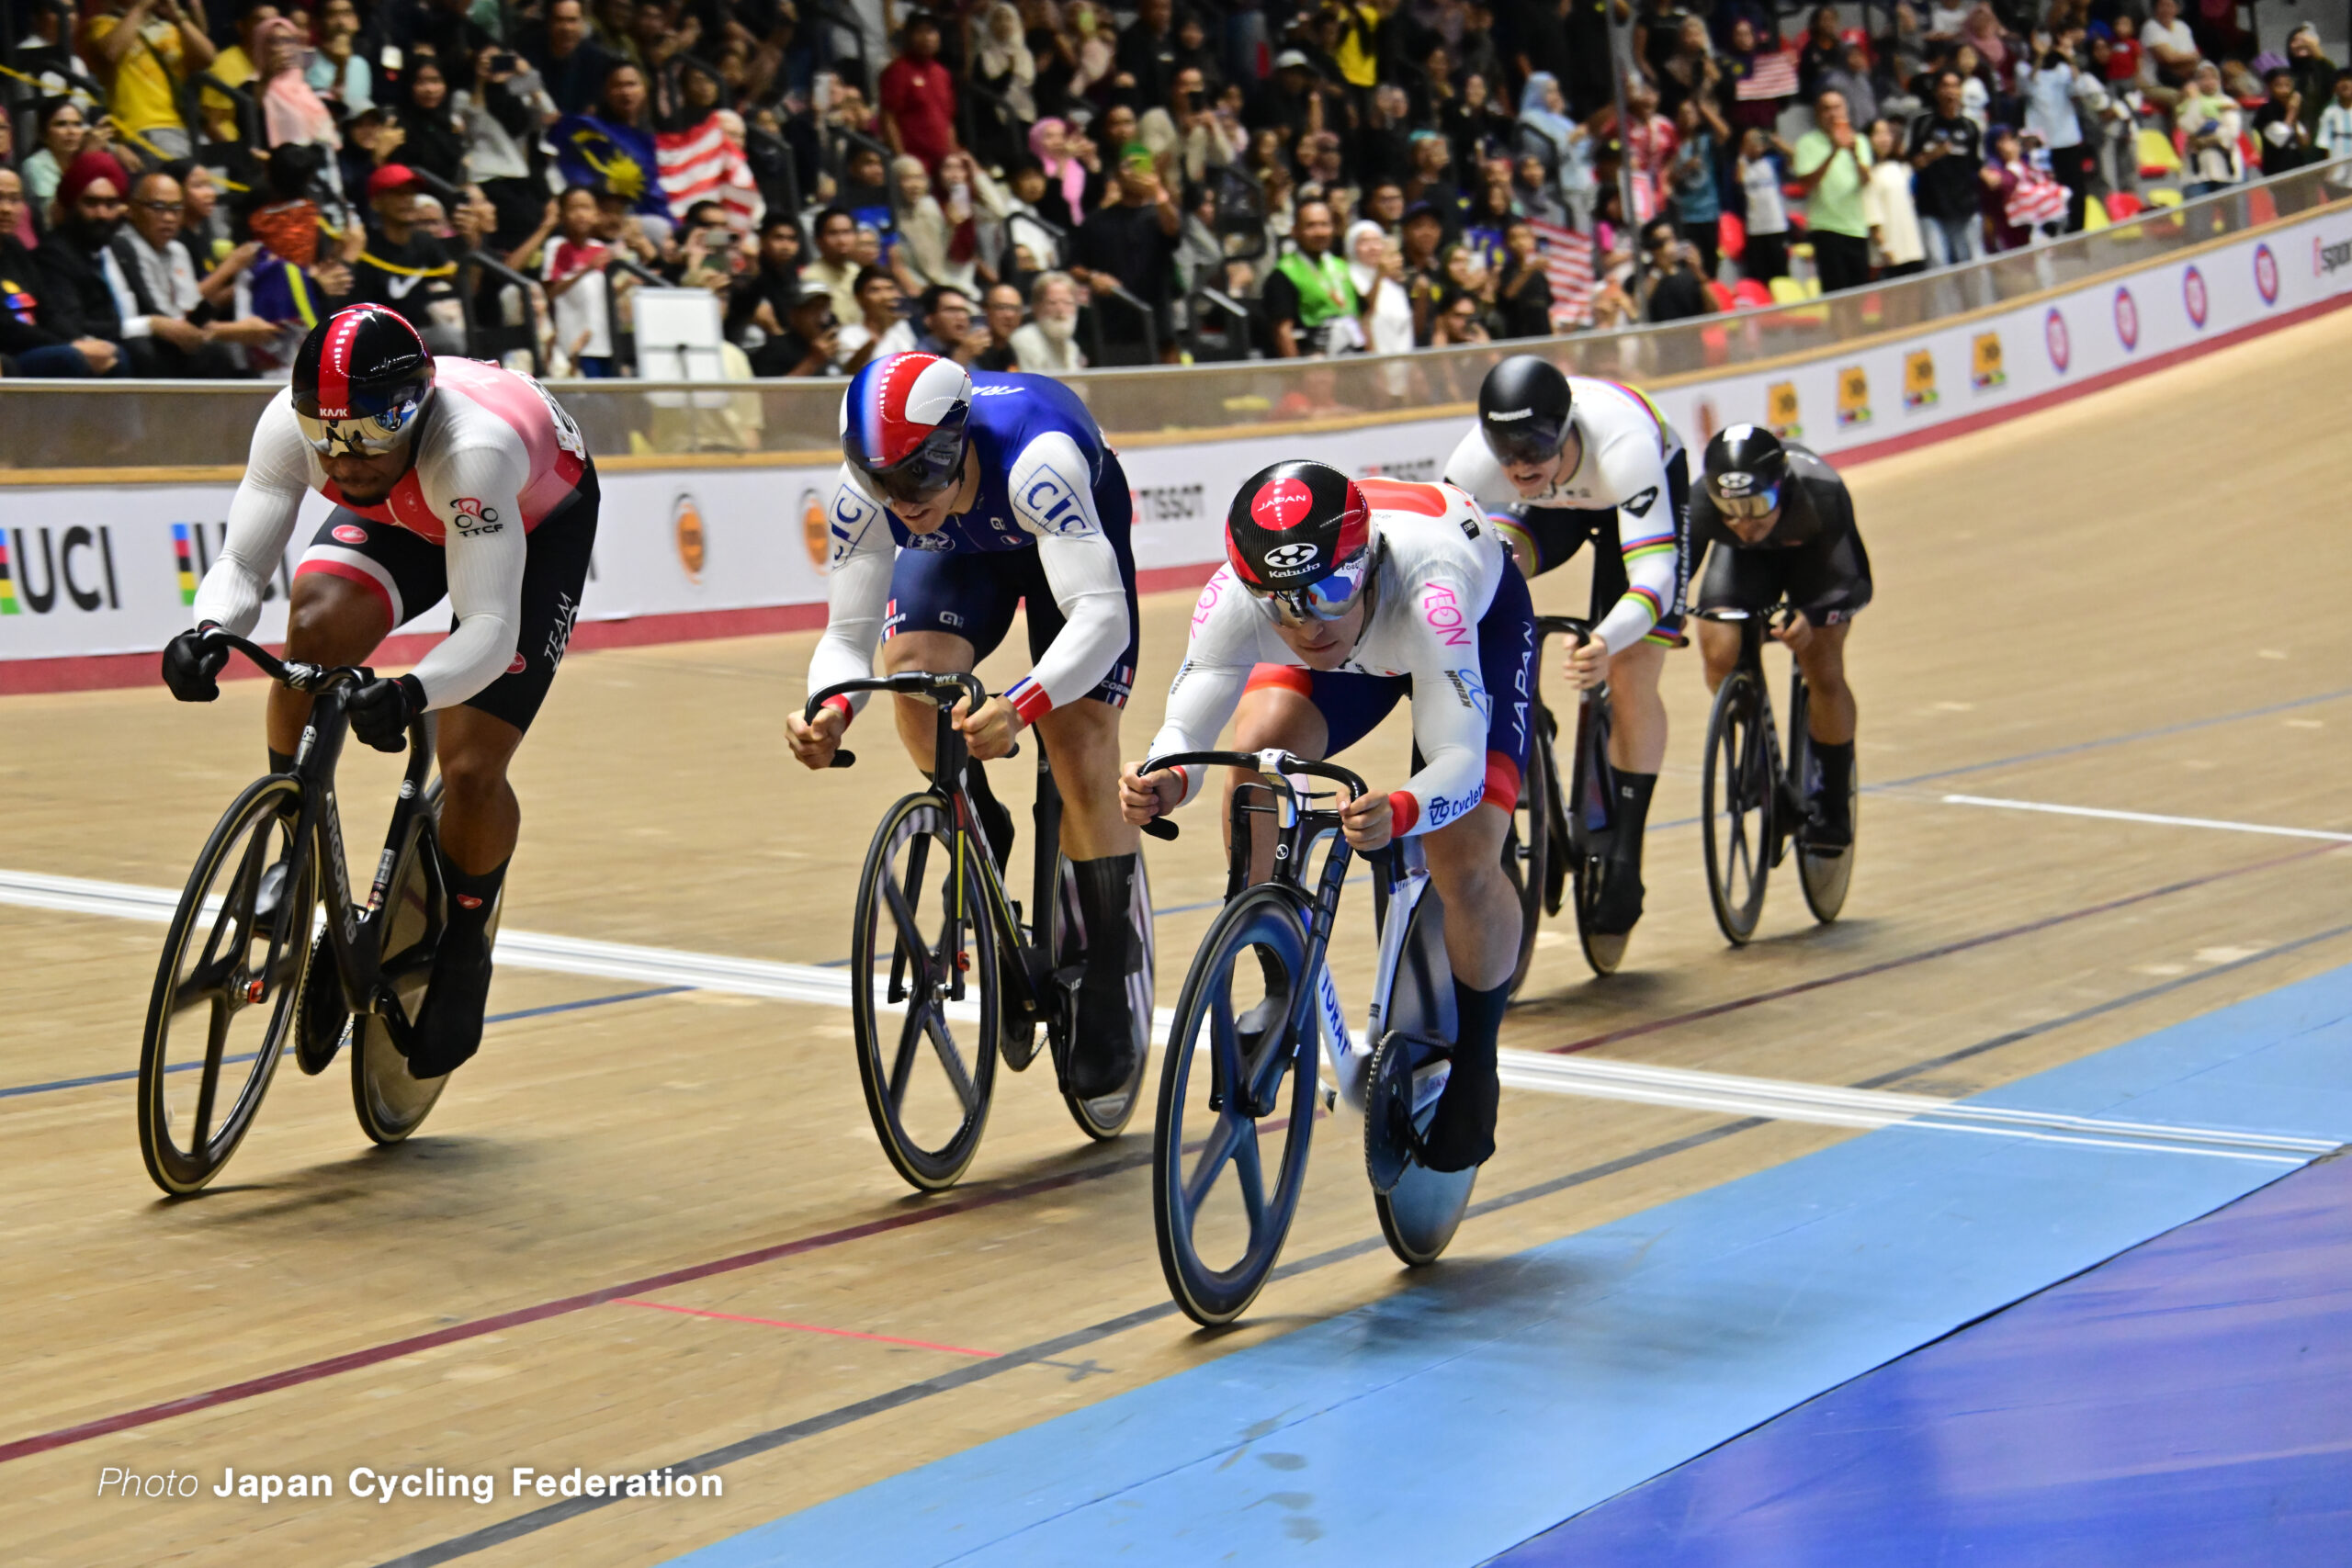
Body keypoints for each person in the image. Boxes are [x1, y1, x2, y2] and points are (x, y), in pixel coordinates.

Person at [161, 305, 600, 1079]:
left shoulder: (474, 449)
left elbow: (492, 629)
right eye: (327, 436)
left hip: (529, 519)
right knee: (315, 628)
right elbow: (241, 563)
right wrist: (206, 631)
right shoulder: (297, 427)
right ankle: (294, 846)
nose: (346, 458)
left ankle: (464, 947)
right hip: (409, 509)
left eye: (369, 432)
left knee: (468, 765)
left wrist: (411, 691)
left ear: (415, 406)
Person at [1118, 462, 1534, 1173]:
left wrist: (1404, 806)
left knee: (1462, 854)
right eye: (1279, 606)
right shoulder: (1243, 597)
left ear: (1367, 565)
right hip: (1365, 646)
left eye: (1330, 591)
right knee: (1254, 753)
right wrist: (1168, 779)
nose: (1307, 623)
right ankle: (1278, 965)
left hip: (1466, 630)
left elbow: (1457, 763)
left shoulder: (1433, 590)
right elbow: (1192, 723)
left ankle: (1478, 1059)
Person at [786, 353, 1145, 1096]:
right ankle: (979, 817)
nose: (902, 499)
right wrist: (830, 709)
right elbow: (848, 639)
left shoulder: (1038, 461)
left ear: (957, 445)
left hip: (1062, 547)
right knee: (911, 671)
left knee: (1077, 739)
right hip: (963, 552)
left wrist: (1022, 704)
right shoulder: (869, 493)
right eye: (886, 481)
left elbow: (1101, 619)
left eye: (918, 476)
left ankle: (1111, 960)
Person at [1442, 355, 1691, 939]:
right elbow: (1445, 564)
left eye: (1535, 442)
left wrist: (1606, 639)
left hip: (1630, 494)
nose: (1520, 461)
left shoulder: (1625, 447)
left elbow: (1653, 575)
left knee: (1630, 670)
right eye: (1506, 446)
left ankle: (1627, 850)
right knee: (1491, 565)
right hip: (1553, 509)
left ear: (1566, 428)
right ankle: (1526, 720)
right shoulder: (1478, 462)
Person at [1690, 425, 1868, 849]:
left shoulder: (1820, 493)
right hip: (1743, 564)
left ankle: (1831, 800)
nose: (1743, 522)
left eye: (1756, 506)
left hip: (1815, 566)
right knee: (1719, 650)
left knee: (1822, 666)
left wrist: (1813, 614)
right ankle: (1755, 759)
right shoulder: (1703, 504)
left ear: (1781, 486)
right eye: (1729, 509)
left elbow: (1857, 584)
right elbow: (1667, 578)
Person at [0, 168, 121, 376]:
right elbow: (6, 327)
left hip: (38, 343)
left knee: (114, 354)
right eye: (0, 199)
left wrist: (77, 340)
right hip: (11, 351)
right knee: (71, 358)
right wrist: (70, 346)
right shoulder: (52, 251)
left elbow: (48, 309)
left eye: (15, 200)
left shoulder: (15, 248)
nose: (6, 209)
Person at [1792, 88, 1873, 292]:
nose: (1832, 113)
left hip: (1856, 226)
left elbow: (1865, 181)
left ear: (1845, 110)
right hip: (1826, 227)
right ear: (1818, 114)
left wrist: (1854, 154)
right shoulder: (1806, 143)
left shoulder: (1860, 141)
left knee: (1859, 293)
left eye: (1837, 107)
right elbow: (1806, 184)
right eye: (1826, 109)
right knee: (1836, 293)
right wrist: (1834, 151)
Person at [1908, 70, 1985, 268]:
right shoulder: (1923, 124)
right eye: (1945, 86)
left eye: (1955, 86)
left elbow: (1977, 165)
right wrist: (1933, 155)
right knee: (1938, 265)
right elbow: (1912, 163)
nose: (1951, 91)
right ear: (1936, 91)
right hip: (1931, 208)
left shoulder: (1971, 127)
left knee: (1971, 264)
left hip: (1964, 207)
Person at [1263, 197, 1356, 357]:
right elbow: (1283, 332)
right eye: (1310, 226)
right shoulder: (1283, 274)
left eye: (1324, 225)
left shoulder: (1341, 267)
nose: (1319, 232)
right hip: (1314, 364)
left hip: (1350, 355)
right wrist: (1299, 373)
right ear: (1295, 231)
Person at [1862, 119, 1926, 276]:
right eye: (1878, 134)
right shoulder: (1868, 174)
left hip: (1912, 248)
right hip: (1890, 254)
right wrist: (1884, 247)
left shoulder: (1902, 169)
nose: (1884, 139)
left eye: (1887, 133)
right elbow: (1872, 217)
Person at [1012, 268, 1085, 371]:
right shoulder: (1024, 340)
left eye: (1067, 303)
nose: (1060, 310)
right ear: (1036, 307)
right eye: (1052, 303)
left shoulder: (1072, 347)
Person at [974, 282, 1023, 371]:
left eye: (1015, 309)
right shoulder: (973, 349)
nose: (1009, 315)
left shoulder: (1017, 349)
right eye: (1001, 307)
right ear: (986, 310)